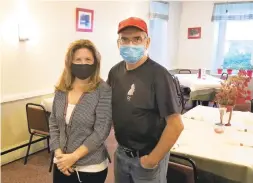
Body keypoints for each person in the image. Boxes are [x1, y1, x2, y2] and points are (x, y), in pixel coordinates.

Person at [107, 17, 184, 183]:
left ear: (147, 42)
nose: (131, 44)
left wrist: (152, 160)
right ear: (118, 43)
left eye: (137, 39)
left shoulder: (159, 76)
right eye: (125, 39)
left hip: (147, 158)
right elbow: (110, 110)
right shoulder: (114, 73)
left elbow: (176, 125)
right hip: (121, 153)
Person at [49, 39, 112, 183]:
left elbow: (101, 131)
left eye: (88, 59)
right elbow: (53, 123)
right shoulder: (62, 89)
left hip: (90, 167)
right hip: (61, 163)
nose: (83, 63)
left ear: (95, 63)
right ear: (70, 62)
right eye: (78, 59)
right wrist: (59, 155)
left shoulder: (103, 90)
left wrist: (73, 157)